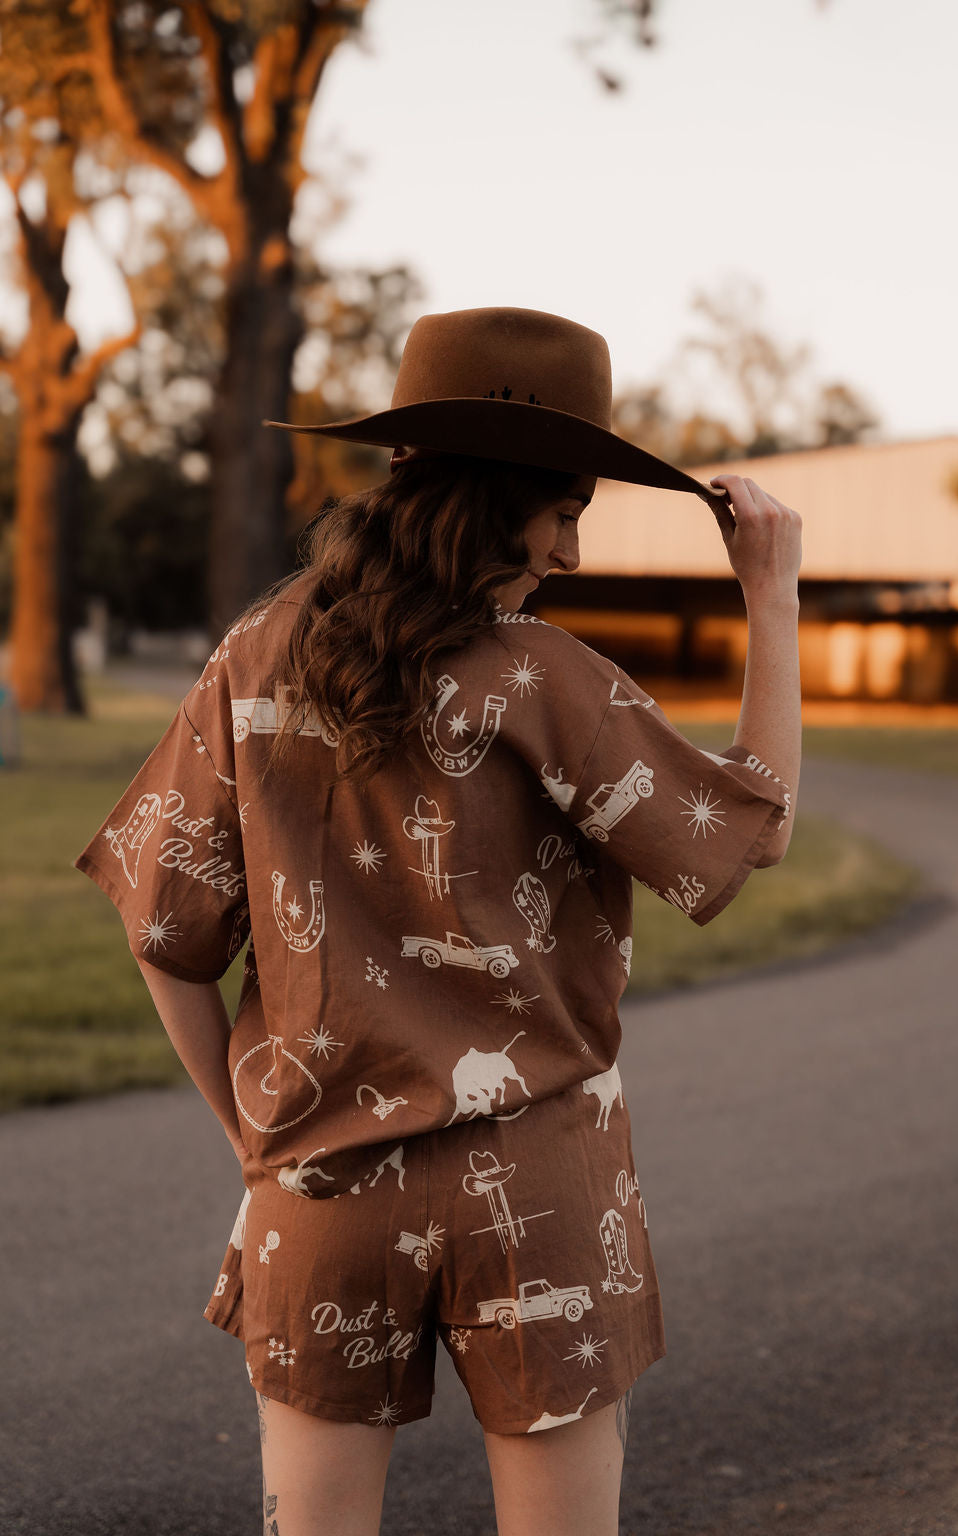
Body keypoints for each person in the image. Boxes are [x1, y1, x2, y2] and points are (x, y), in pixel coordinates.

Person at [75, 306, 802, 1536]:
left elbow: (165, 933)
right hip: (543, 1185)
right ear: (490, 498)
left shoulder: (253, 659)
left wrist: (261, 1140)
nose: (569, 552)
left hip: (320, 1188)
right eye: (565, 510)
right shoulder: (546, 677)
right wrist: (771, 598)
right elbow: (756, 829)